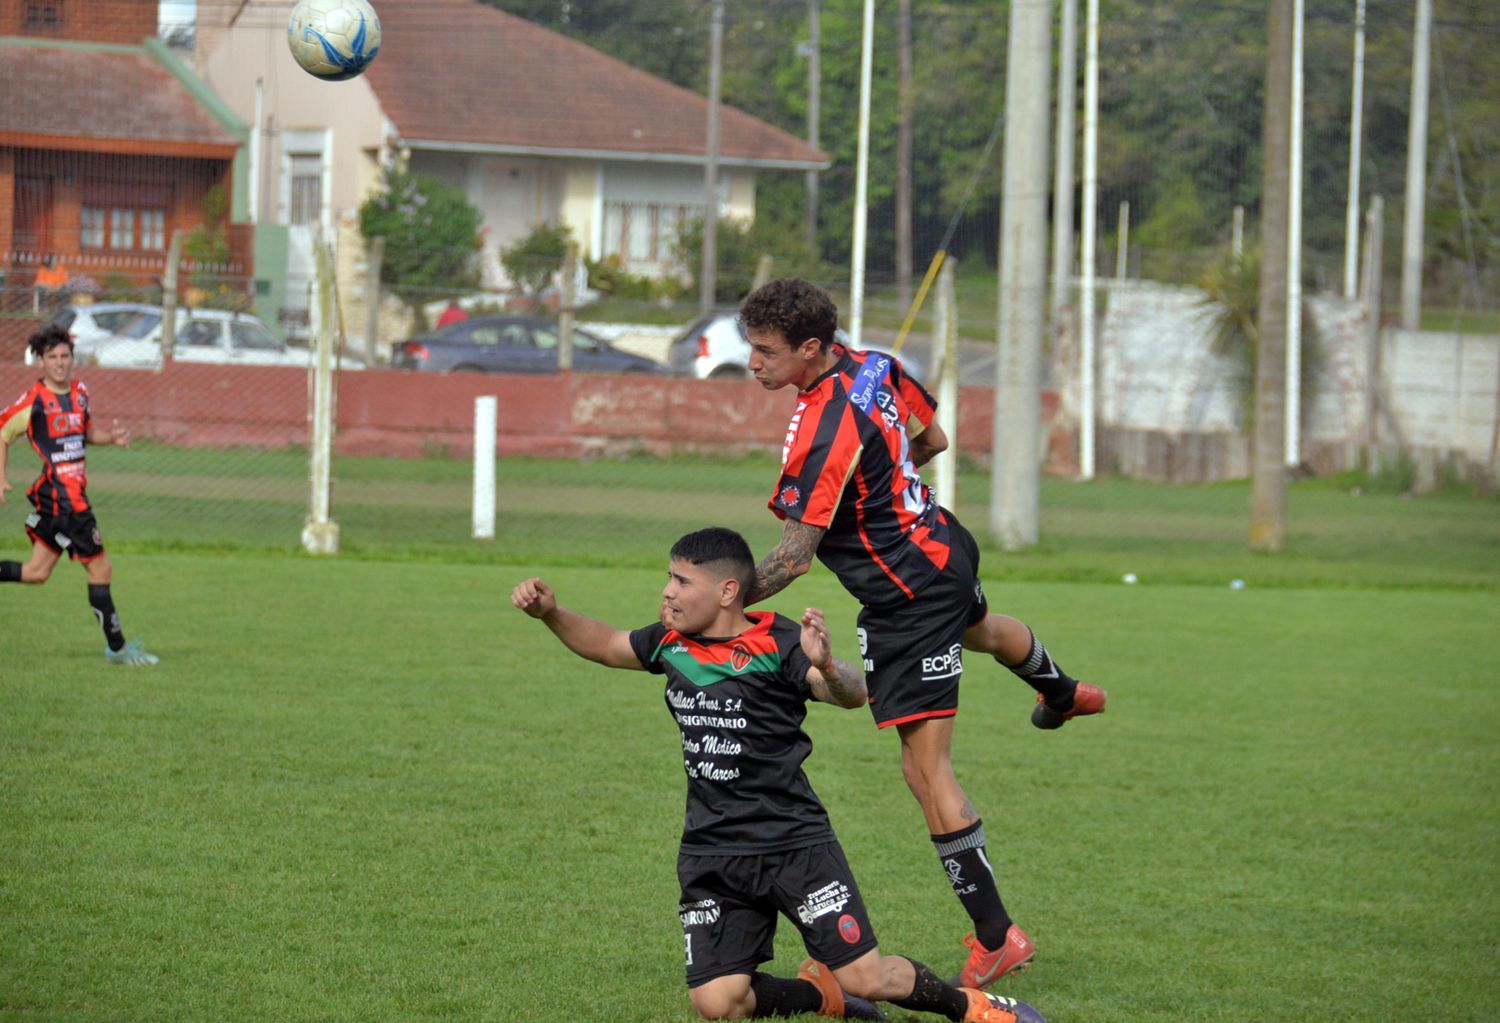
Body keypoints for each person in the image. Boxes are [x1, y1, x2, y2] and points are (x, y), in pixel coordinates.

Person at [511, 527, 1044, 1023]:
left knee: (870, 976)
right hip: (711, 850)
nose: (668, 592)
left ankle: (973, 1008)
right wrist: (551, 614)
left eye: (681, 581)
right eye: (669, 578)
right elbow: (606, 644)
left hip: (794, 845)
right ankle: (824, 994)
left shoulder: (780, 643)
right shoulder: (669, 644)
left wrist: (829, 665)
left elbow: (852, 694)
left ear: (726, 592)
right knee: (719, 1002)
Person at [737, 278, 1106, 990]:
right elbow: (931, 438)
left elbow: (792, 555)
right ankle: (1062, 692)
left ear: (810, 348)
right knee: (984, 628)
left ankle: (997, 936)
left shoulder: (822, 426)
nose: (753, 361)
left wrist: (724, 602)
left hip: (906, 593)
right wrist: (886, 490)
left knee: (925, 769)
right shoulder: (874, 362)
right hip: (941, 541)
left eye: (765, 350)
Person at [0, 324, 158, 665]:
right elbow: (2, 431)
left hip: (56, 501)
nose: (60, 362)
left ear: (72, 358)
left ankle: (116, 648)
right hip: (67, 503)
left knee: (36, 573)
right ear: (40, 360)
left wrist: (110, 438)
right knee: (100, 569)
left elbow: (83, 433)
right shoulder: (33, 402)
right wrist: (0, 476)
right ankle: (118, 649)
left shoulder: (80, 392)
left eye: (65, 356)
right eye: (52, 357)